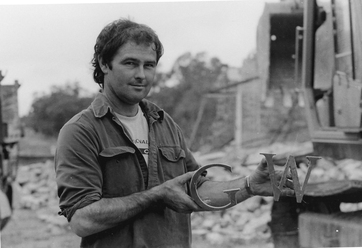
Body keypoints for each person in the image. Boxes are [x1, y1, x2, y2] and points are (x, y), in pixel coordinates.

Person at [55, 18, 294, 248]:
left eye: (149, 65)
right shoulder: (80, 131)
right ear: (104, 64)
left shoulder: (164, 123)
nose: (141, 74)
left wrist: (249, 185)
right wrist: (157, 195)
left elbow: (197, 190)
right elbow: (82, 219)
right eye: (130, 63)